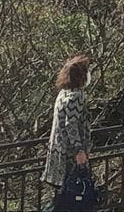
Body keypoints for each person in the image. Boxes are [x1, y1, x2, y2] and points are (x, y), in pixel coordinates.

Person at [43, 55, 94, 193]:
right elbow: (71, 124)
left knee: (62, 195)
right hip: (70, 155)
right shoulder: (76, 96)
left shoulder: (63, 93)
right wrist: (79, 150)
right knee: (74, 194)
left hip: (58, 152)